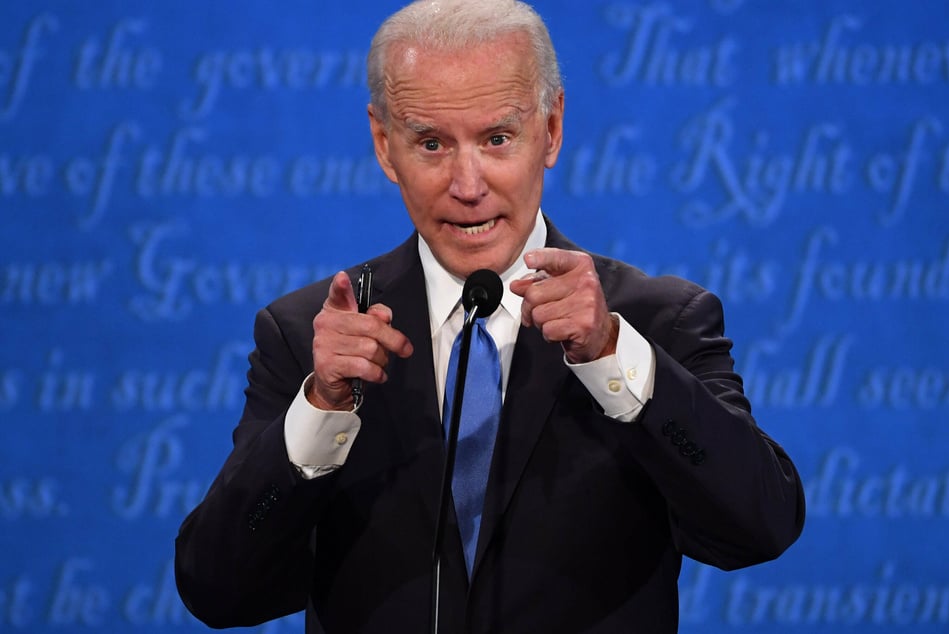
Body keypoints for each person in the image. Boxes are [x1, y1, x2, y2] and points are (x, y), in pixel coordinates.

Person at [174, 1, 805, 632]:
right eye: (431, 143)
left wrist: (615, 357)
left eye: (497, 138)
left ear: (551, 129)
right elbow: (221, 591)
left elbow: (759, 528)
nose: (467, 184)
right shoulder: (313, 338)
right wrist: (319, 413)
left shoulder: (655, 323)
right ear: (383, 145)